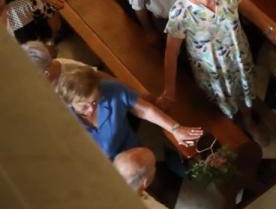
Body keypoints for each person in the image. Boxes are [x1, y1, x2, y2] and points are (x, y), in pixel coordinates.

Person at [162, 0, 276, 137]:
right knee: (222, 100)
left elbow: (250, 11)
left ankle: (248, 121)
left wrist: (271, 29)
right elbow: (171, 54)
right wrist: (169, 89)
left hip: (238, 54)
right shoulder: (181, 11)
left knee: (244, 91)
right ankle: (233, 129)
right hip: (211, 67)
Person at [57, 65, 202, 160]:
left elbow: (144, 109)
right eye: (83, 107)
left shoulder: (111, 89)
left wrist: (175, 128)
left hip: (130, 150)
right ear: (69, 102)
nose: (91, 109)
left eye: (95, 101)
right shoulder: (60, 119)